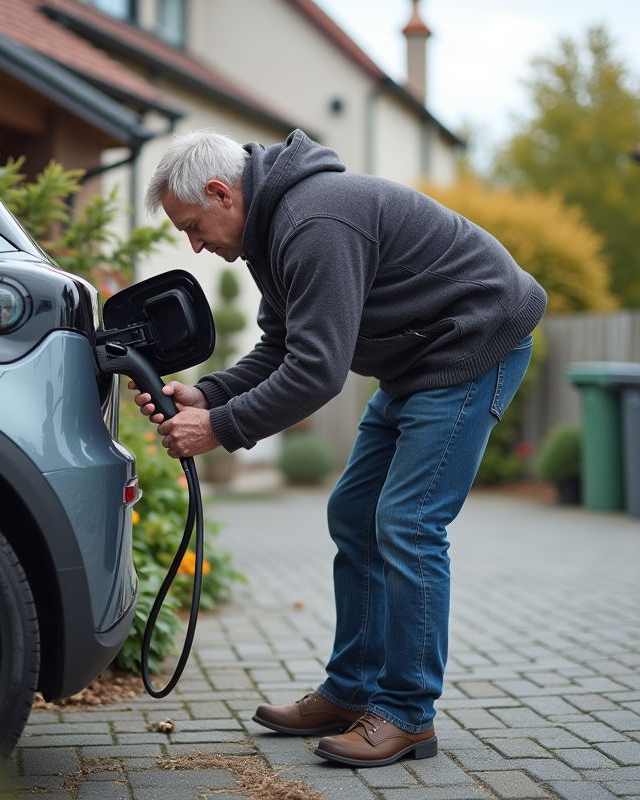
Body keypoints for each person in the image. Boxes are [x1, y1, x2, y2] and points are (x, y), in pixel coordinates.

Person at [131, 129, 546, 767]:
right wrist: (209, 397)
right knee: (354, 513)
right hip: (417, 358)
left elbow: (318, 373)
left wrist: (219, 428)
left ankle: (407, 713)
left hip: (473, 342)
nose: (196, 245)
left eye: (193, 226)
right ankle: (353, 691)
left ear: (221, 193)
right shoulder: (272, 232)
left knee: (407, 522)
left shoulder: (314, 221)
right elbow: (281, 347)